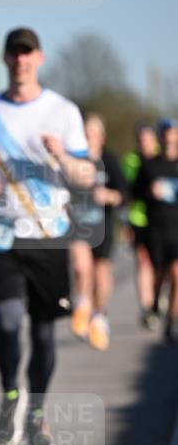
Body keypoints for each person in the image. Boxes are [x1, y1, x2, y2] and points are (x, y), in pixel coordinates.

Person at [0, 28, 94, 445]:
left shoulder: (63, 112)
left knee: (43, 334)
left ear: (40, 57)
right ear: (5, 59)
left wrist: (61, 157)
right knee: (6, 322)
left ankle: (37, 414)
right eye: (14, 53)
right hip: (0, 237)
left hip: (48, 239)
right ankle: (9, 395)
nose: (20, 60)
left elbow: (87, 177)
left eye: (27, 53)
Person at [69, 115, 127, 350]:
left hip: (103, 226)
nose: (88, 136)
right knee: (81, 267)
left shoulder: (110, 161)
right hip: (78, 226)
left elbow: (123, 194)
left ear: (101, 137)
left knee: (101, 273)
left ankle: (99, 316)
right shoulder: (73, 159)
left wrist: (109, 196)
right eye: (85, 132)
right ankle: (83, 305)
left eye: (93, 132)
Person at [132, 118, 178, 343]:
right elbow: (133, 194)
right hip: (156, 228)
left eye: (174, 132)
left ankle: (172, 321)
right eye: (166, 132)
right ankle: (156, 302)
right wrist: (149, 192)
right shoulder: (150, 165)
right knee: (158, 275)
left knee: (177, 275)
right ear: (161, 136)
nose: (170, 136)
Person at [122, 123, 161, 328]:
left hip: (161, 219)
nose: (144, 143)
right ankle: (147, 308)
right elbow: (125, 193)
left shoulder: (164, 159)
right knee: (143, 261)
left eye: (148, 139)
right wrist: (124, 221)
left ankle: (158, 298)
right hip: (138, 218)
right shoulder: (130, 161)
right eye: (141, 139)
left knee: (160, 265)